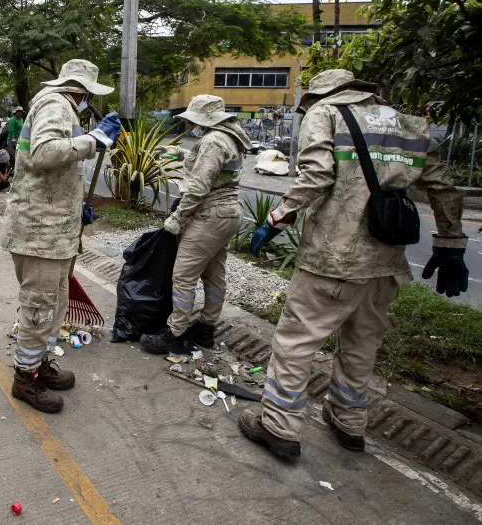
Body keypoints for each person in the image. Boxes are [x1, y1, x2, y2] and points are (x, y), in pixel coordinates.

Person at [237, 70, 468, 459]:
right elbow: (443, 187)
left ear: (318, 96)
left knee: (296, 342)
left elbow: (316, 174)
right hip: (385, 263)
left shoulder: (325, 113)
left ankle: (278, 426)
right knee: (362, 345)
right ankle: (349, 421)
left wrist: (278, 218)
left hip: (332, 258)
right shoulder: (408, 124)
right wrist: (450, 244)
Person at [1, 59, 121, 413]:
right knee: (39, 308)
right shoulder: (55, 103)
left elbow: (57, 166)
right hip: (40, 230)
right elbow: (43, 153)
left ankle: (39, 367)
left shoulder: (65, 107)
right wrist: (93, 140)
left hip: (55, 229)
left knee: (53, 306)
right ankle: (25, 379)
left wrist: (76, 204)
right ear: (82, 90)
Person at [140, 95, 252, 354]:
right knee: (214, 275)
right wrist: (179, 152)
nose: (191, 125)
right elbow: (212, 167)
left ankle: (175, 334)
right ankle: (205, 329)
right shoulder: (229, 137)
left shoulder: (213, 141)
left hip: (209, 215)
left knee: (183, 276)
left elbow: (199, 187)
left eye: (193, 121)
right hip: (229, 214)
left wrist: (177, 219)